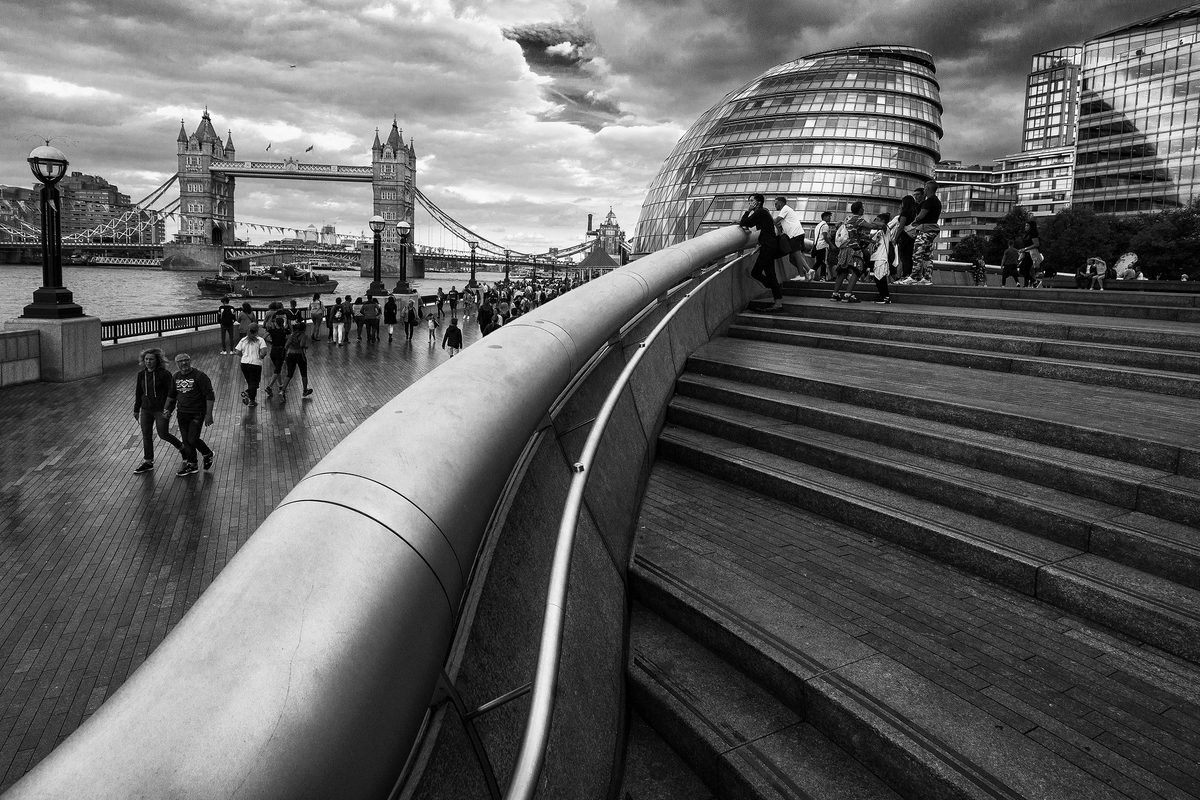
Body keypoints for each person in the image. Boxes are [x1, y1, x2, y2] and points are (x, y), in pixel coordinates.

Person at [132, 347, 183, 474]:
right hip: (146, 409)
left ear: (157, 360)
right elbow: (139, 392)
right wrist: (136, 409)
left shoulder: (164, 374)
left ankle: (183, 448)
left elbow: (172, 393)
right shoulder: (141, 375)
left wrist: (169, 409)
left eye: (151, 359)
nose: (148, 362)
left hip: (161, 409)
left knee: (163, 434)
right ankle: (148, 461)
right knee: (146, 435)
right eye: (146, 359)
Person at [164, 352, 215, 477]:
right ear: (176, 364)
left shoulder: (200, 376)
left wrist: (209, 415)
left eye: (186, 360)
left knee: (193, 438)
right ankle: (192, 464)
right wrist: (167, 409)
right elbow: (171, 395)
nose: (184, 363)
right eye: (180, 361)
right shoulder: (176, 377)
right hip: (182, 412)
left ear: (190, 361)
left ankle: (207, 453)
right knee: (186, 440)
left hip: (197, 412)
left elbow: (209, 395)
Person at [830, 201, 885, 303]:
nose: (863, 210)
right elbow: (870, 226)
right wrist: (881, 224)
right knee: (857, 270)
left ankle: (835, 294)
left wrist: (870, 239)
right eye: (862, 208)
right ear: (860, 209)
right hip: (854, 249)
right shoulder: (858, 219)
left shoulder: (848, 219)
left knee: (843, 271)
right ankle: (848, 295)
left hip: (844, 249)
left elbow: (857, 235)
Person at [738, 194, 783, 311]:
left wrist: (747, 211)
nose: (749, 203)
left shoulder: (760, 212)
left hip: (768, 247)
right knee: (770, 273)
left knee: (755, 272)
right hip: (769, 245)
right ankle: (778, 302)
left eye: (751, 201)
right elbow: (756, 225)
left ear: (757, 203)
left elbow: (744, 223)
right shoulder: (763, 213)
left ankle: (774, 287)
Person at [904, 180, 941, 285]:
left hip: (925, 230)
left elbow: (921, 215)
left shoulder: (929, 201)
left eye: (925, 188)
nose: (924, 190)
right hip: (932, 230)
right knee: (927, 255)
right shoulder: (937, 201)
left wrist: (915, 222)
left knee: (917, 254)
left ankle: (914, 277)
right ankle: (927, 278)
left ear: (928, 188)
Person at [772, 196, 808, 279]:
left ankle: (801, 275)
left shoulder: (785, 209)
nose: (775, 206)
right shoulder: (787, 210)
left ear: (780, 203)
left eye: (776, 204)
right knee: (792, 259)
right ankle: (808, 271)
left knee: (797, 255)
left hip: (795, 235)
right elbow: (780, 224)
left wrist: (767, 220)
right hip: (795, 235)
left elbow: (776, 221)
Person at [235, 323, 268, 406]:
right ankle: (247, 393)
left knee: (250, 382)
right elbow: (264, 352)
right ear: (257, 330)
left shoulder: (243, 340)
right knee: (255, 384)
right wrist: (260, 356)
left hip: (244, 364)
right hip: (255, 364)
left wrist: (244, 356)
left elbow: (237, 352)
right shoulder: (260, 340)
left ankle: (252, 401)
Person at [279, 321, 313, 401]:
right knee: (303, 373)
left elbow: (286, 345)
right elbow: (301, 345)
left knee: (289, 374)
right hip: (299, 355)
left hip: (290, 354)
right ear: (304, 329)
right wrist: (305, 346)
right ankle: (305, 390)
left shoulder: (292, 335)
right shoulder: (304, 336)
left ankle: (282, 391)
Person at [893, 192, 919, 282]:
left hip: (904, 236)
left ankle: (905, 275)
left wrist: (895, 238)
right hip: (912, 237)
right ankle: (910, 275)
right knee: (910, 256)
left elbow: (901, 226)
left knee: (903, 257)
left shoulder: (905, 212)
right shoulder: (914, 213)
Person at [262, 312, 289, 399]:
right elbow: (289, 339)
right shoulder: (285, 331)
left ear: (275, 323)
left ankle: (280, 384)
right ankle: (269, 386)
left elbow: (264, 337)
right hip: (281, 351)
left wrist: (271, 342)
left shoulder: (271, 331)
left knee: (277, 368)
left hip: (273, 350)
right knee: (277, 369)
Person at [869, 212, 893, 303]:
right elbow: (872, 240)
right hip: (875, 256)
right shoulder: (878, 232)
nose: (875, 221)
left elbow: (882, 225)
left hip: (882, 257)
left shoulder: (886, 230)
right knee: (876, 277)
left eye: (877, 219)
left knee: (881, 277)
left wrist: (871, 222)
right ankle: (881, 295)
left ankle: (886, 296)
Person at [1018, 220, 1042, 287]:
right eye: (1025, 225)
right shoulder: (1026, 234)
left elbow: (1036, 244)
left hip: (1031, 253)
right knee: (1022, 270)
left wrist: (1025, 249)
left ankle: (1026, 285)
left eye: (1027, 226)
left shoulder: (1033, 234)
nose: (1025, 227)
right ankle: (1035, 281)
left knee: (1026, 269)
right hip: (1026, 253)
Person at [813, 211, 833, 281]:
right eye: (829, 216)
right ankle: (822, 277)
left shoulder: (818, 225)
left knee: (819, 261)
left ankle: (810, 272)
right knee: (823, 262)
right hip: (823, 246)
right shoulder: (825, 225)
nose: (830, 218)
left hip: (817, 246)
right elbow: (825, 236)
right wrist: (831, 244)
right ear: (825, 217)